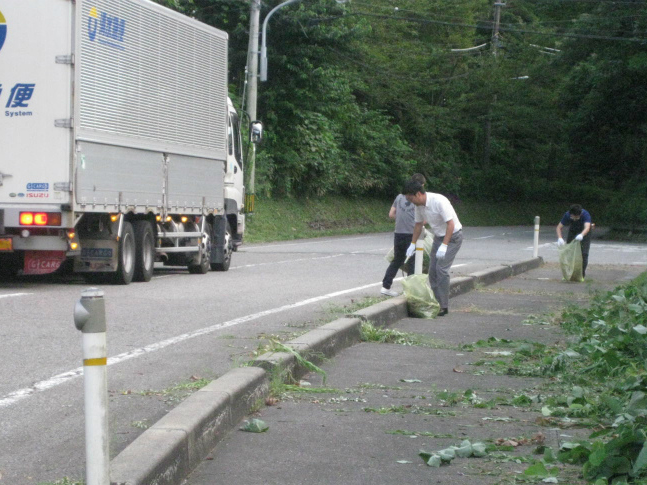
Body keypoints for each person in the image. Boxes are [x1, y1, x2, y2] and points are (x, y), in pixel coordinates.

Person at [403, 180, 463, 316]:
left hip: (453, 237)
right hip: (438, 237)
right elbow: (418, 225)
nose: (410, 201)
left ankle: (444, 306)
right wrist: (412, 244)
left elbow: (451, 224)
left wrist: (445, 245)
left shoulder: (439, 201)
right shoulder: (419, 206)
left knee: (441, 269)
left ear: (418, 194)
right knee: (433, 271)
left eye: (410, 198)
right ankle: (437, 302)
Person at [380, 174, 426, 297]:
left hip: (398, 232)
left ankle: (386, 286)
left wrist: (401, 218)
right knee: (413, 262)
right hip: (412, 234)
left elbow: (391, 214)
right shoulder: (419, 199)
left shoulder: (399, 197)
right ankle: (409, 290)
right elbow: (424, 220)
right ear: (420, 186)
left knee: (397, 260)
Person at [556, 204, 592, 278]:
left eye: (577, 217)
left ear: (580, 214)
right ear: (570, 214)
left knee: (584, 253)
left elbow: (587, 227)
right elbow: (559, 227)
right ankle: (568, 273)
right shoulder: (567, 215)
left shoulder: (585, 214)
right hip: (573, 230)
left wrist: (581, 235)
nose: (575, 219)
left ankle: (581, 275)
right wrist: (560, 238)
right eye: (573, 217)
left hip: (585, 232)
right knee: (569, 252)